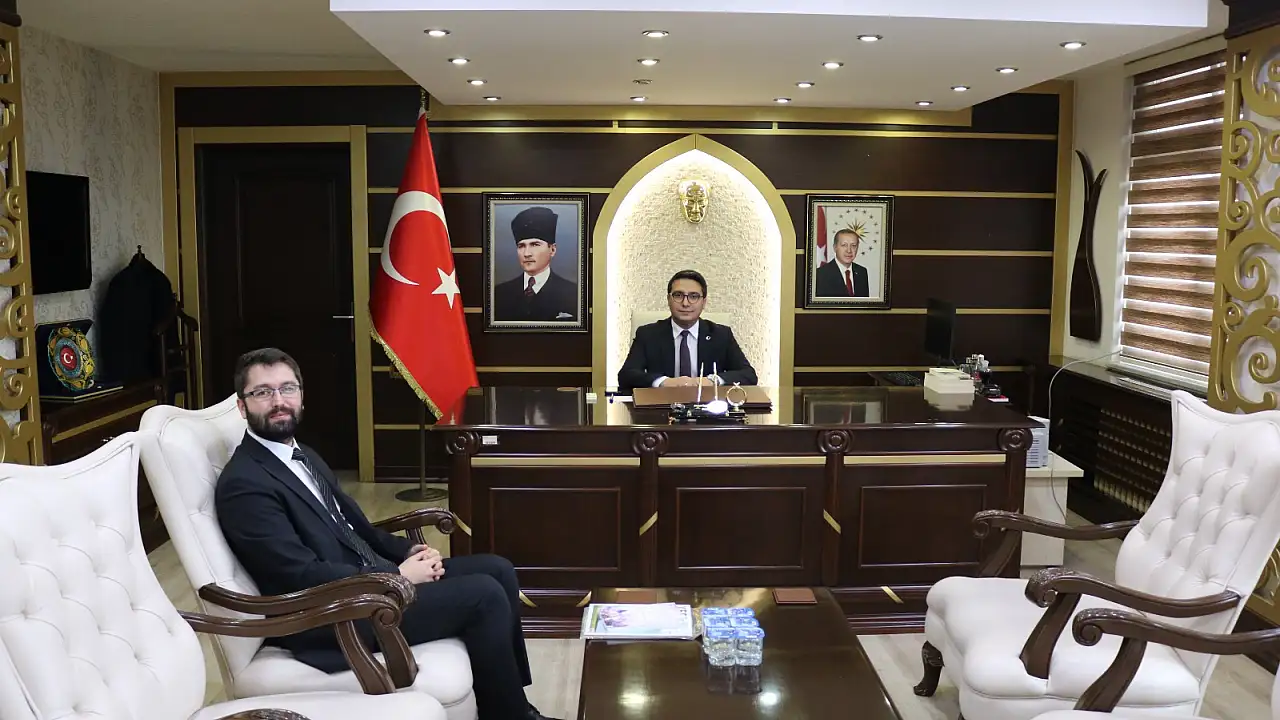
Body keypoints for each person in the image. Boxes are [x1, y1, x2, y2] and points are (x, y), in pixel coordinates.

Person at [215, 348, 556, 720]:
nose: (279, 401)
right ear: (242, 406)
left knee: (497, 569)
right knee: (483, 595)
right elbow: (297, 575)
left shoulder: (302, 454)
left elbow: (357, 529)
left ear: (301, 396)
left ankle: (513, 706)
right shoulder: (245, 484)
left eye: (287, 388)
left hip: (368, 584)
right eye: (263, 392)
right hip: (332, 613)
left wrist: (408, 550)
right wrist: (395, 577)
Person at [618, 269, 757, 392]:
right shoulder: (648, 334)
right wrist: (663, 382)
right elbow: (626, 376)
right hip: (662, 406)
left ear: (704, 302)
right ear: (668, 299)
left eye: (693, 296)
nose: (685, 303)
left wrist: (712, 381)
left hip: (707, 407)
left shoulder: (721, 335)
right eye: (678, 295)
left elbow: (748, 375)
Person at [492, 206, 579, 323]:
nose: (527, 253)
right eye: (521, 246)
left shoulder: (573, 293)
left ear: (552, 250)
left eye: (535, 245)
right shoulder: (499, 294)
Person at [815, 228, 869, 298]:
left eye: (853, 245)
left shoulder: (862, 272)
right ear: (835, 247)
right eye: (844, 245)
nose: (849, 250)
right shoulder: (820, 275)